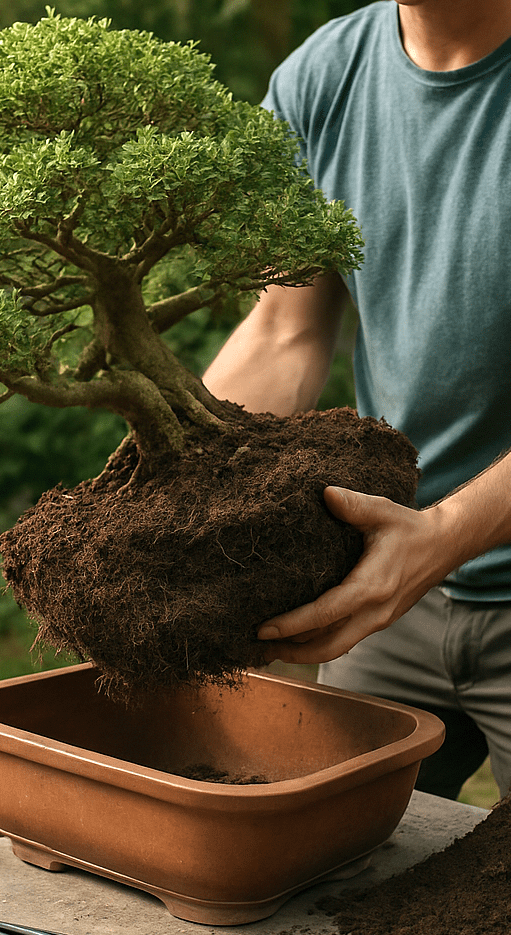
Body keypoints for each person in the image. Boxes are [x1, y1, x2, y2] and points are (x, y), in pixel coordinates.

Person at [203, 0, 511, 800]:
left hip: (434, 544)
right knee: (335, 870)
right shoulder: (322, 76)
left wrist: (442, 535)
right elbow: (285, 330)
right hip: (389, 579)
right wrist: (176, 472)